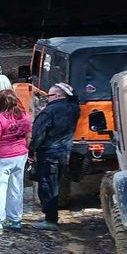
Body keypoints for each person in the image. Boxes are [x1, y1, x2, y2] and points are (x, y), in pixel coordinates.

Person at [28, 83, 80, 230]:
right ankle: (50, 216)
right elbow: (75, 99)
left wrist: (31, 152)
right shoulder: (73, 109)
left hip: (49, 153)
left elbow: (37, 135)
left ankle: (50, 220)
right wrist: (71, 91)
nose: (46, 98)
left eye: (49, 95)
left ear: (57, 96)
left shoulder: (48, 112)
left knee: (47, 186)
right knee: (54, 184)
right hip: (64, 153)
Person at [0, 90, 31, 232]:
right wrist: (27, 150)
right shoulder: (25, 116)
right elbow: (28, 136)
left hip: (2, 158)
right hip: (20, 156)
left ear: (1, 103)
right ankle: (16, 220)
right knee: (16, 188)